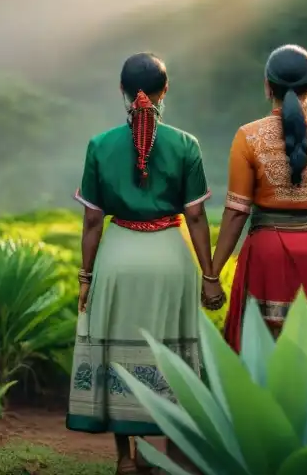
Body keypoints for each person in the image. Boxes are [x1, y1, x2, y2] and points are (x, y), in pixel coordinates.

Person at [65, 52, 217, 474]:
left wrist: (86, 276)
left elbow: (93, 220)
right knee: (171, 350)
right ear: (165, 91)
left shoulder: (99, 146)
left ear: (122, 92)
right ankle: (165, 452)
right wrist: (210, 276)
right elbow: (197, 216)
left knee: (118, 351)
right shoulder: (186, 145)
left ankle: (124, 457)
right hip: (170, 257)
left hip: (118, 256)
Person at [202, 44, 307, 351]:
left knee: (261, 356)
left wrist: (212, 274)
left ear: (267, 86)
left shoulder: (247, 137)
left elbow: (235, 214)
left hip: (266, 257)